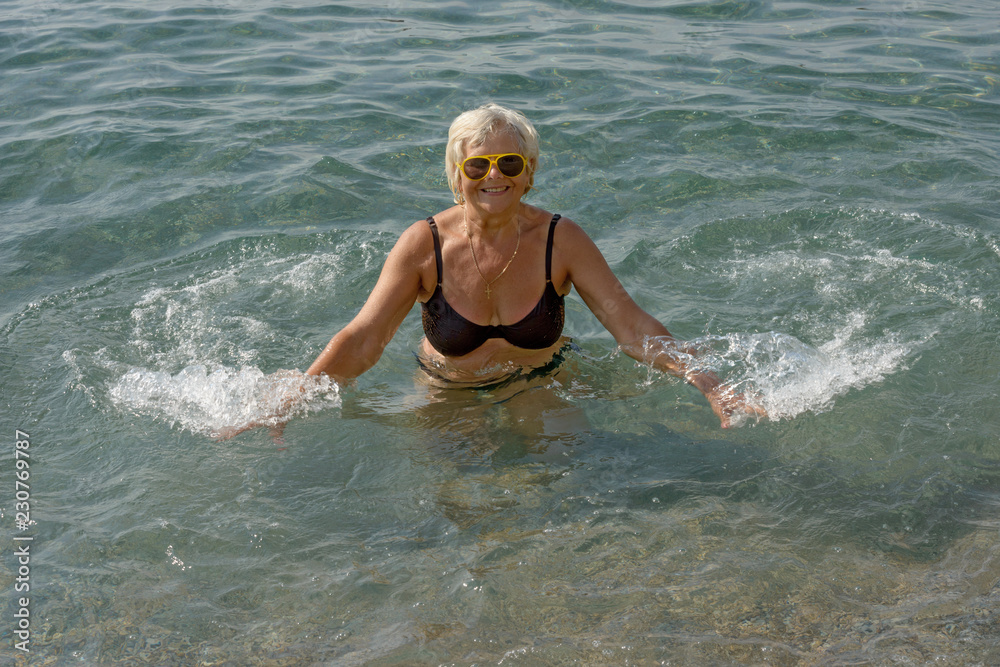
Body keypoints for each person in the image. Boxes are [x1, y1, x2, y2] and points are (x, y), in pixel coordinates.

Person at [297, 103, 763, 429]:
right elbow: (363, 338)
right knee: (457, 501)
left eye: (509, 162)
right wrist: (300, 393)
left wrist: (710, 384)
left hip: (545, 378)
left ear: (530, 172)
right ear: (457, 176)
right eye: (478, 165)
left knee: (567, 485)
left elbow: (632, 326)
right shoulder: (424, 244)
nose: (494, 175)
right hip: (448, 388)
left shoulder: (561, 239)